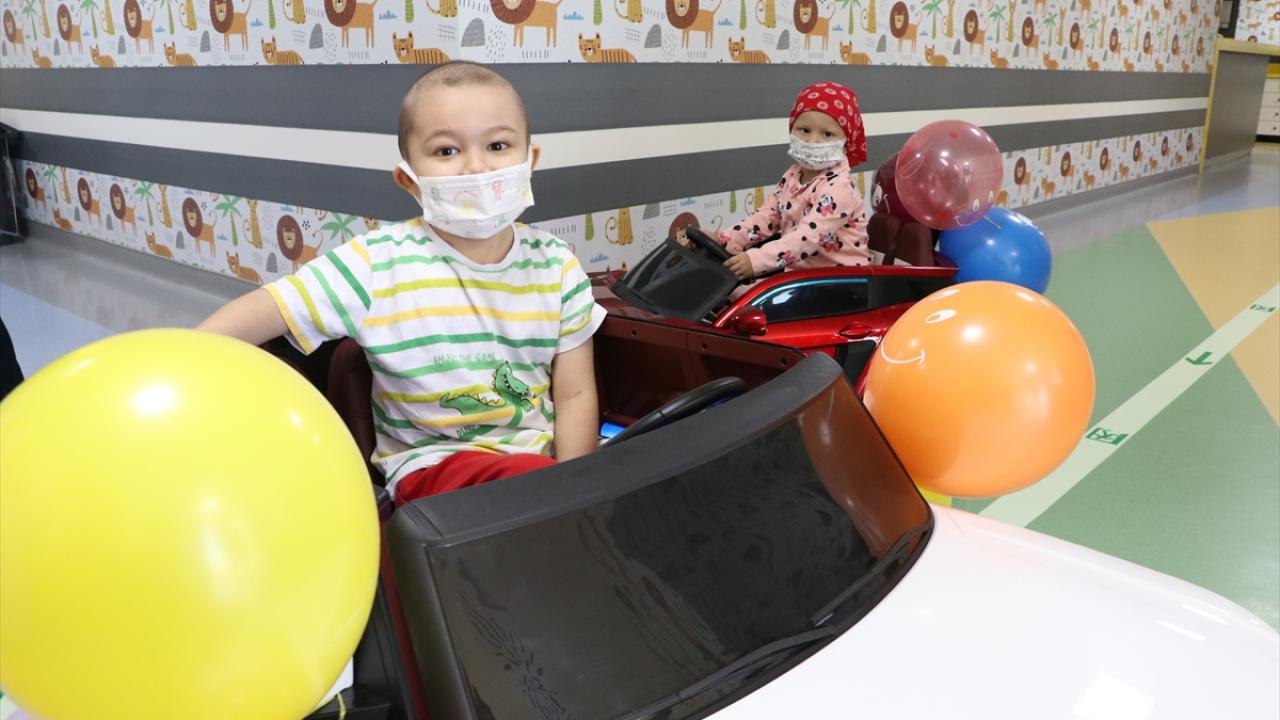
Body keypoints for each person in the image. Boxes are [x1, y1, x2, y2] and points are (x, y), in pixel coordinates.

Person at [198, 62, 606, 504]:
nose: (475, 166)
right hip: (433, 473)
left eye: (498, 145)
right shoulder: (376, 263)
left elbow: (576, 394)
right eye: (446, 151)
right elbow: (269, 309)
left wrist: (575, 491)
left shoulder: (557, 265)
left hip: (540, 473)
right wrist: (175, 356)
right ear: (408, 179)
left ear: (530, 161)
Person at [717, 82, 873, 281]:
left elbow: (806, 238)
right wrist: (725, 239)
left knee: (747, 296)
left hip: (842, 282)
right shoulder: (792, 175)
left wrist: (755, 261)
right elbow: (767, 216)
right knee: (733, 293)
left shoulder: (840, 188)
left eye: (827, 134)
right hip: (801, 277)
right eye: (804, 130)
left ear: (846, 141)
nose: (812, 140)